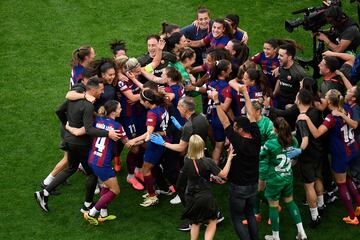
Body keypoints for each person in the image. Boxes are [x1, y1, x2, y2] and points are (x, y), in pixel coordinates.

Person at [34, 78, 123, 213]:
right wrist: (107, 133)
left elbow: (58, 110)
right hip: (80, 144)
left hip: (69, 140)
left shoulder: (73, 99)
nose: (102, 92)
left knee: (71, 168)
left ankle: (44, 193)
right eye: (100, 89)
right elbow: (89, 130)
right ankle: (87, 205)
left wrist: (67, 125)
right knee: (92, 174)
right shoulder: (88, 106)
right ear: (92, 90)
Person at [298, 89, 360, 225]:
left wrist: (306, 118)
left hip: (341, 153)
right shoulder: (347, 107)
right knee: (347, 177)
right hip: (352, 148)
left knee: (341, 184)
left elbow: (316, 134)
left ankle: (352, 216)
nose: (323, 98)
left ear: (330, 102)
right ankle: (359, 206)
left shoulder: (331, 118)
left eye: (325, 97)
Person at [212, 84, 261, 240]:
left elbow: (225, 122)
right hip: (253, 184)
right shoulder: (256, 136)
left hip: (238, 187)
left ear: (240, 129)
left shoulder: (236, 140)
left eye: (235, 127)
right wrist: (246, 94)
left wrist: (217, 103)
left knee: (237, 219)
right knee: (250, 215)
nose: (233, 128)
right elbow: (252, 116)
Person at [176, 134, 234, 240]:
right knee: (212, 221)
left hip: (191, 196)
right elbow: (224, 174)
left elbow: (180, 184)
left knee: (195, 222)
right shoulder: (208, 162)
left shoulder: (186, 161)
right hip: (205, 196)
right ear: (202, 146)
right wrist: (229, 158)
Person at [81, 100, 128, 225]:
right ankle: (91, 213)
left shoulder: (98, 121)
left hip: (93, 159)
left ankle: (103, 214)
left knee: (106, 186)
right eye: (119, 108)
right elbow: (128, 144)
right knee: (115, 190)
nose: (121, 110)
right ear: (113, 112)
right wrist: (146, 137)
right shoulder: (118, 127)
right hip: (103, 164)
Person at [261, 117, 307, 240]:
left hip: (274, 179)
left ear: (275, 129)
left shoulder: (270, 143)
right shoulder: (292, 140)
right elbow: (295, 152)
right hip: (287, 176)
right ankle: (301, 232)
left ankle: (275, 237)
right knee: (290, 202)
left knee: (273, 206)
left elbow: (262, 158)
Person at [125, 89, 169, 207]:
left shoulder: (152, 113)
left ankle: (152, 196)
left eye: (141, 100)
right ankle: (162, 189)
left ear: (147, 102)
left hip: (155, 144)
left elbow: (148, 134)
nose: (140, 102)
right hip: (162, 141)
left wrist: (133, 140)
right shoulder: (162, 106)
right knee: (154, 168)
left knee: (145, 170)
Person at [295, 89, 325, 228]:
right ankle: (321, 204)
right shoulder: (315, 111)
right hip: (318, 152)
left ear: (299, 100)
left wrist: (297, 152)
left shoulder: (302, 118)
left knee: (309, 186)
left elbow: (305, 139)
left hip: (307, 155)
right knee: (318, 177)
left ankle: (315, 216)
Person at [273, 44, 307, 110]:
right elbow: (280, 80)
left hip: (291, 107)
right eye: (278, 54)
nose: (278, 57)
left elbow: (305, 92)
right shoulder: (281, 66)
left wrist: (295, 106)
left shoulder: (299, 73)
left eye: (281, 56)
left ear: (289, 57)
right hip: (280, 103)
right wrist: (274, 93)